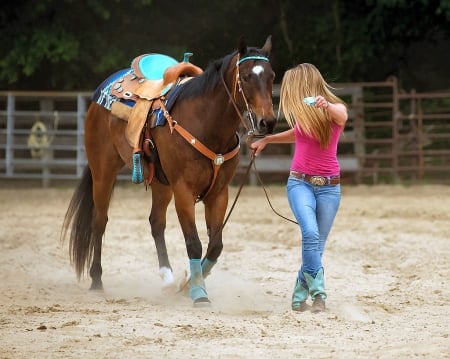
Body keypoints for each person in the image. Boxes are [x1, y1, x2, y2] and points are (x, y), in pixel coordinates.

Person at [251, 63, 348, 313]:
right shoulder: (306, 118)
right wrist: (269, 139)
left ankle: (297, 297)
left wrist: (326, 105)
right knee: (311, 235)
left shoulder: (332, 110)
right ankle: (319, 295)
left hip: (329, 187)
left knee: (317, 245)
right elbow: (299, 133)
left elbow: (341, 114)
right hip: (300, 183)